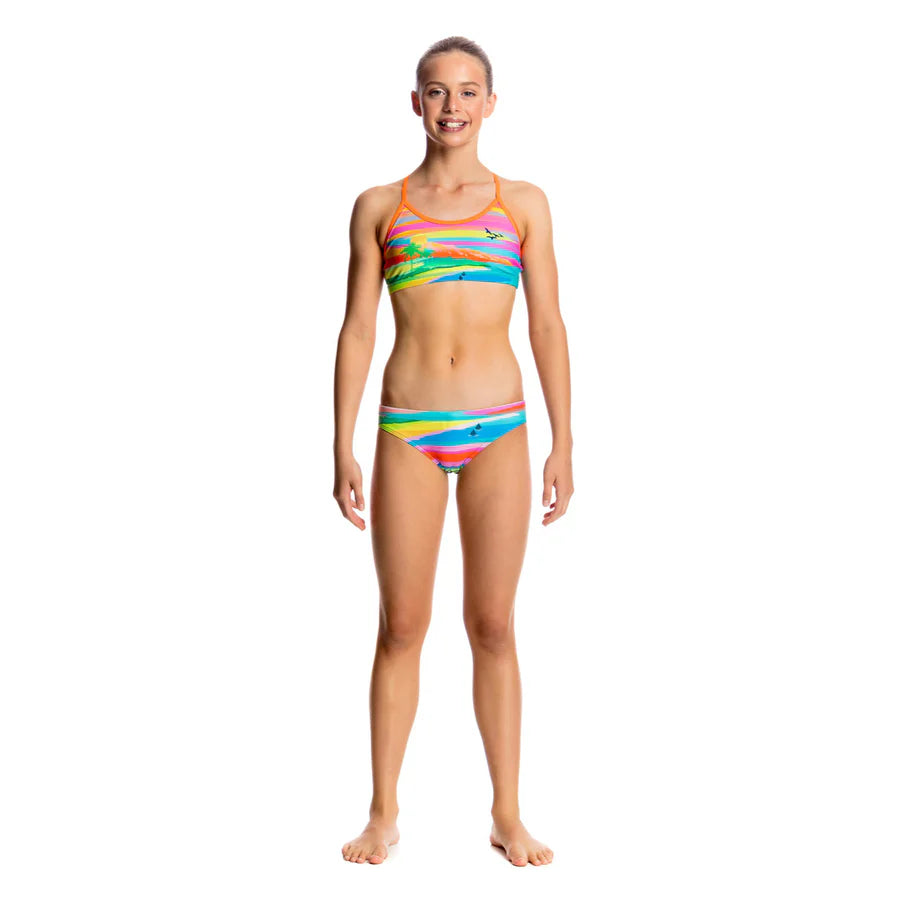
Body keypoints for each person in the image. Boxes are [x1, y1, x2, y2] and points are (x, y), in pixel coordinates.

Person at [333, 35, 573, 867]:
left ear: (491, 104)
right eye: (437, 91)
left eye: (469, 91)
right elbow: (358, 328)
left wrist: (564, 441)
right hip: (407, 429)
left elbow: (547, 324)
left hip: (500, 427)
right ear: (415, 103)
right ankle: (382, 813)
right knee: (401, 625)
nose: (452, 106)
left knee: (494, 625)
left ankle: (507, 813)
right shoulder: (380, 206)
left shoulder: (523, 204)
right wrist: (342, 443)